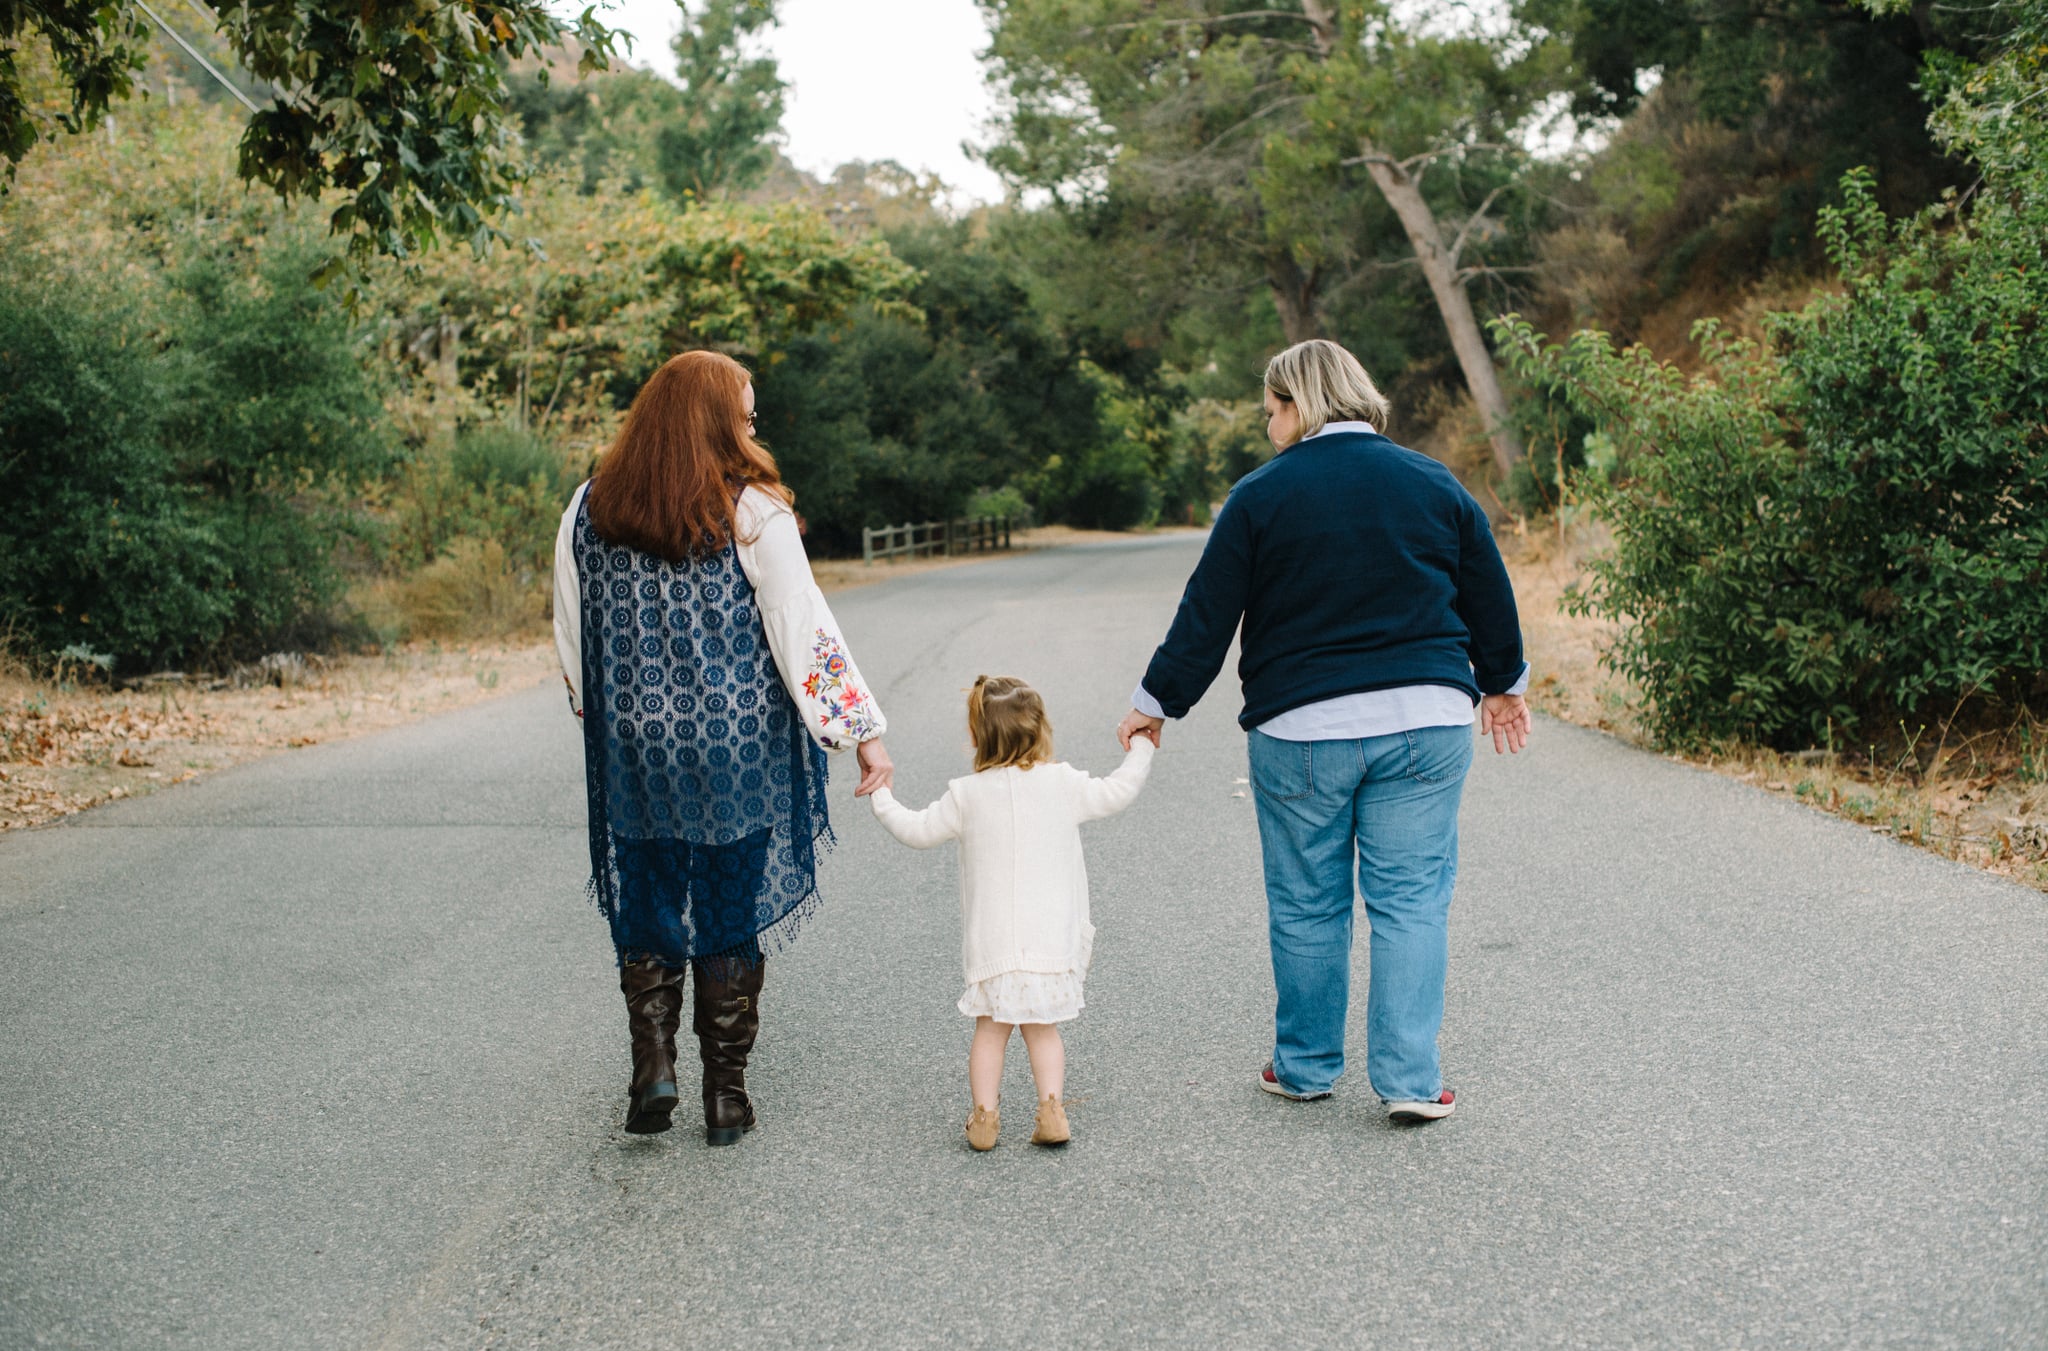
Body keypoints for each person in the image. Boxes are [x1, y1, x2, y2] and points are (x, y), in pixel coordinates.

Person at [1117, 339, 1531, 1124]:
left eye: (1271, 409)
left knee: (1308, 902)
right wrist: (1503, 682)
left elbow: (1207, 615)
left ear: (1300, 404)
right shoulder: (1432, 481)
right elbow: (1489, 589)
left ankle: (1305, 1067)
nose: (1266, 424)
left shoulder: (1259, 497)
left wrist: (1156, 702)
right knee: (1411, 900)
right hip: (1427, 721)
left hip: (1301, 728)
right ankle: (1412, 1080)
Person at [551, 350, 894, 1144]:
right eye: (742, 412)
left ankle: (653, 1064)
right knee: (729, 907)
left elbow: (573, 631)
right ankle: (725, 1096)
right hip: (733, 744)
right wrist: (859, 732)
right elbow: (802, 630)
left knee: (649, 892)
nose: (750, 424)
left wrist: (593, 709)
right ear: (707, 419)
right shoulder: (753, 512)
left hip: (638, 745)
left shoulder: (588, 506)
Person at [869, 675, 1153, 1151]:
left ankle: (984, 1119)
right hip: (1048, 941)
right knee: (1043, 1031)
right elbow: (1117, 790)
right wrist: (1141, 745)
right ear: (1041, 729)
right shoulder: (1062, 783)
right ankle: (1052, 1110)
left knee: (990, 1031)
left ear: (978, 736)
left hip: (994, 944)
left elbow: (915, 829)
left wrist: (880, 793)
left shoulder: (966, 794)